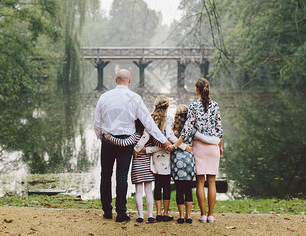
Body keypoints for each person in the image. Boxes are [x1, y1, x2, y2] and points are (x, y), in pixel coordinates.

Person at [93, 69, 173, 222]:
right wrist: (164, 141)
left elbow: (97, 123)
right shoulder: (135, 98)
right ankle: (121, 212)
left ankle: (107, 210)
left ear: (116, 80)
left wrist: (100, 137)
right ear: (129, 81)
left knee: (106, 174)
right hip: (127, 141)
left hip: (108, 140)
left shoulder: (104, 97)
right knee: (121, 176)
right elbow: (148, 123)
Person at [179, 78, 223, 224]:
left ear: (196, 90)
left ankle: (203, 215)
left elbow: (187, 129)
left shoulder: (193, 106)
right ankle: (211, 215)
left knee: (200, 181)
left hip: (199, 146)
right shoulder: (215, 106)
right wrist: (220, 146)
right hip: (213, 147)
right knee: (212, 181)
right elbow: (219, 130)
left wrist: (177, 143)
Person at [171, 104, 218, 224]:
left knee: (179, 189)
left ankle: (181, 216)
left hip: (177, 162)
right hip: (189, 162)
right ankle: (189, 216)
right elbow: (201, 136)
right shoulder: (191, 129)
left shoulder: (173, 129)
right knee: (188, 189)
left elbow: (171, 140)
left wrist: (177, 145)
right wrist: (216, 141)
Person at [105, 120, 155, 223]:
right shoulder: (150, 136)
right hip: (148, 167)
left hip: (137, 168)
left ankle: (140, 215)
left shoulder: (134, 136)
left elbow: (123, 142)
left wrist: (109, 137)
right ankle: (150, 215)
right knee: (149, 191)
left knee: (139, 192)